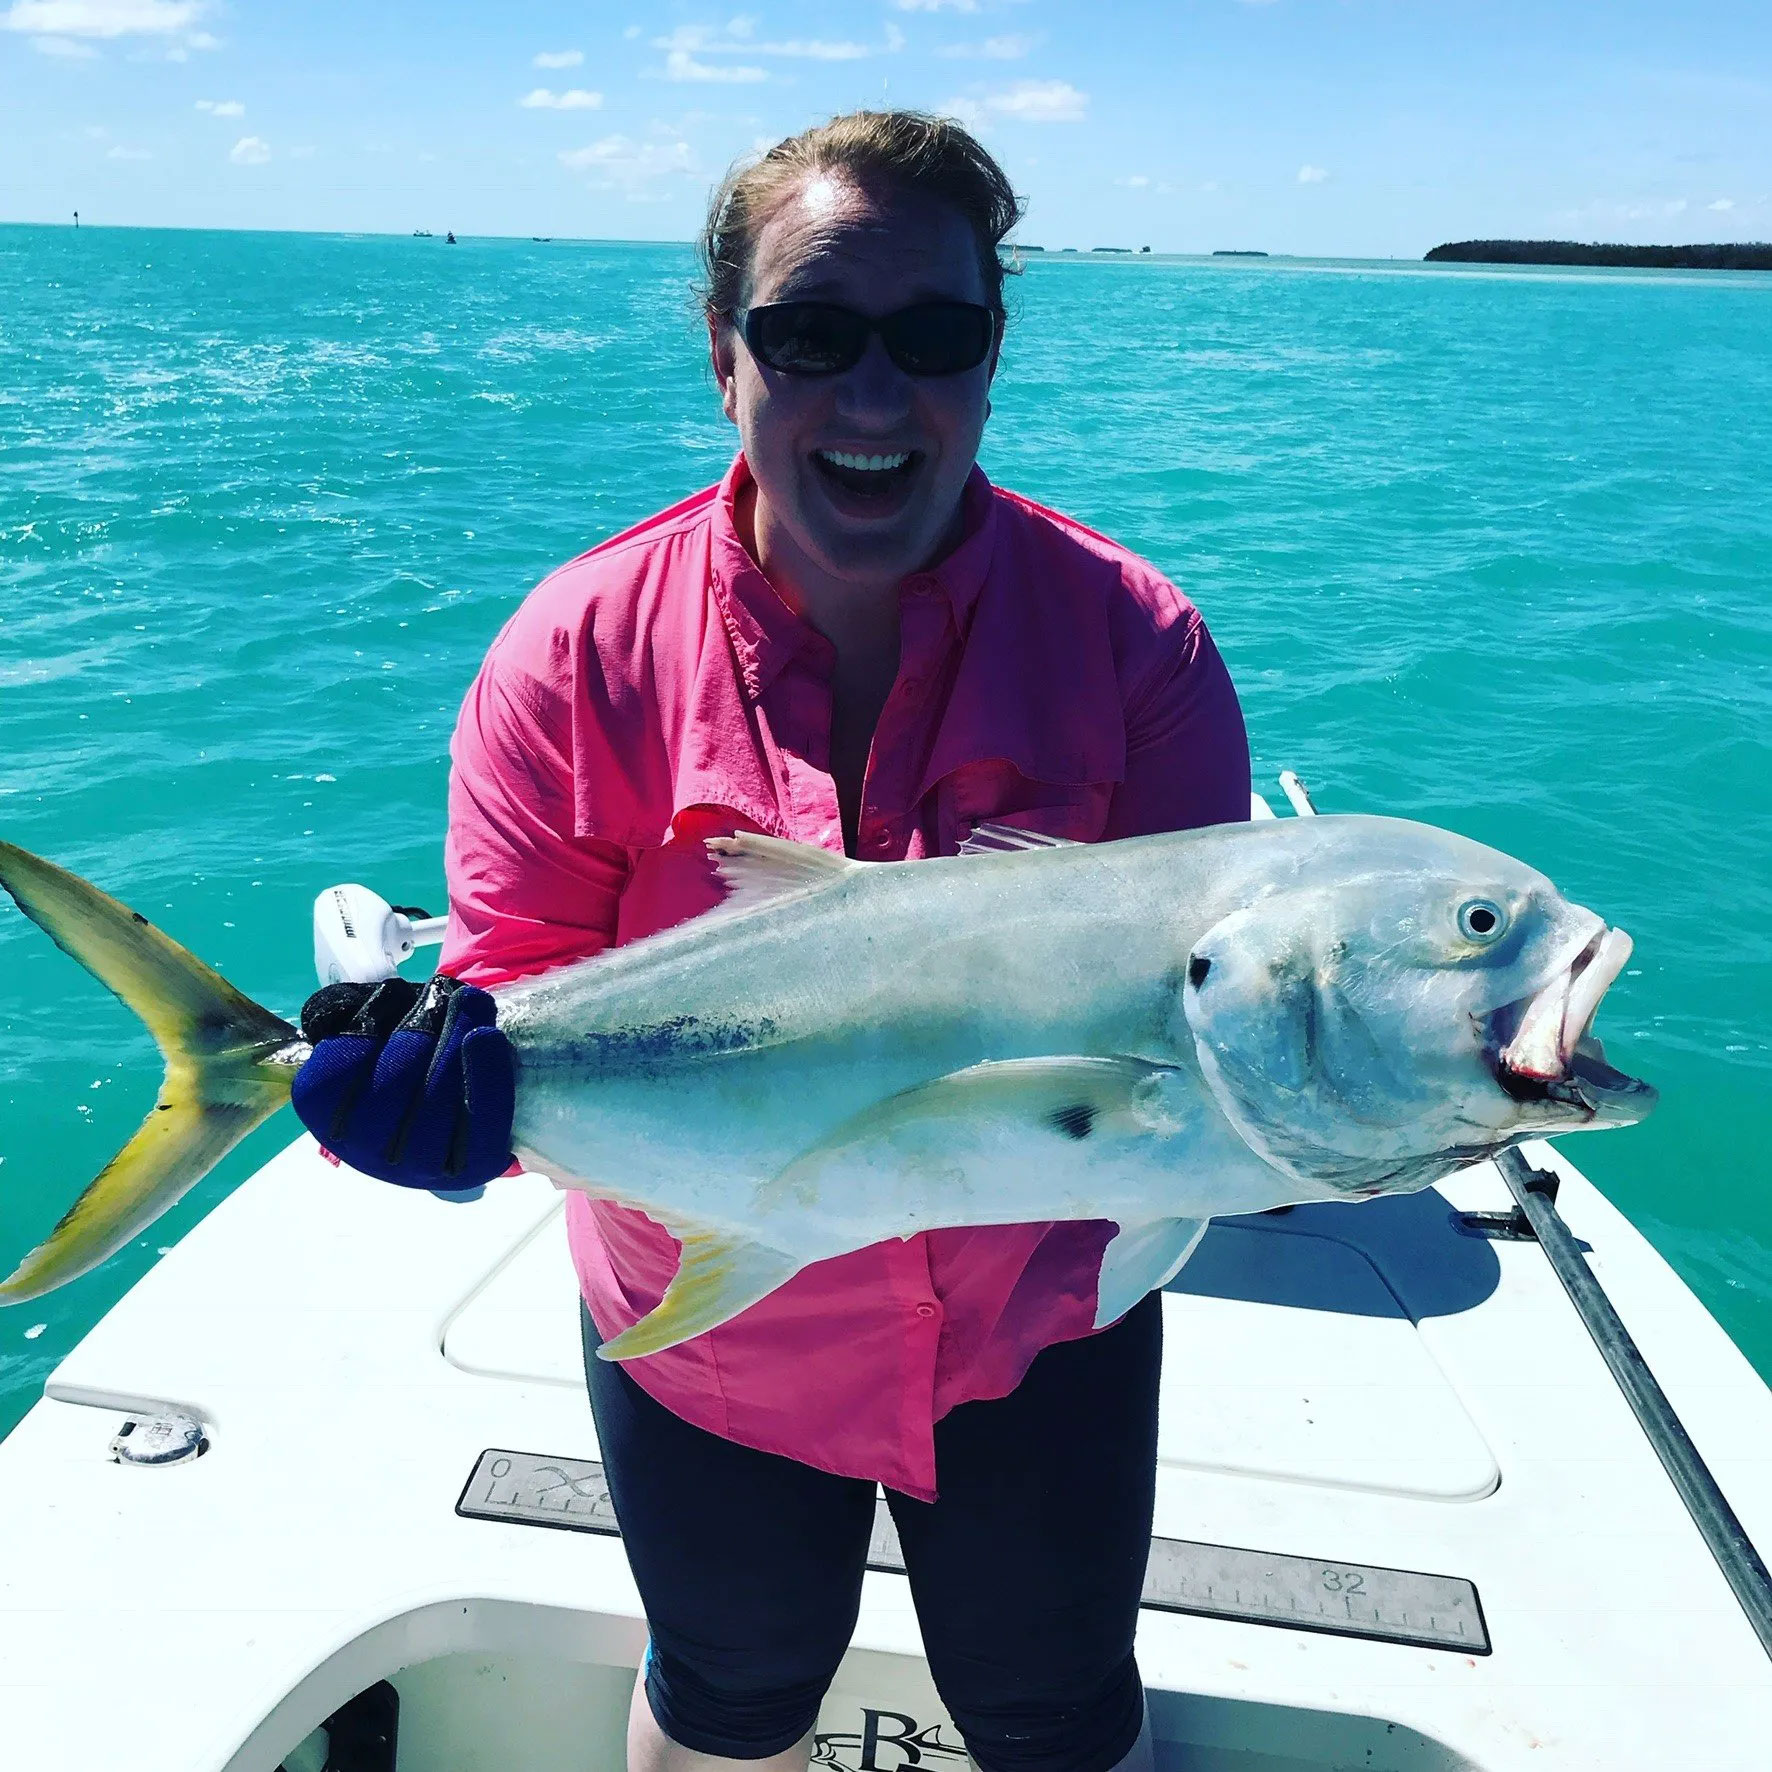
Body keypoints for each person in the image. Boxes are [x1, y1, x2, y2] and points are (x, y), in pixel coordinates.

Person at [293, 111, 1249, 1772]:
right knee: (730, 1693)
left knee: (1053, 1708)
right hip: (709, 1324)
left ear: (993, 355)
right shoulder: (574, 655)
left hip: (1041, 1320)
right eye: (810, 336)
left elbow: (1200, 1008)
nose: (874, 400)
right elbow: (518, 997)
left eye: (932, 337)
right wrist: (450, 1118)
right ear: (724, 356)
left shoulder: (1135, 645)